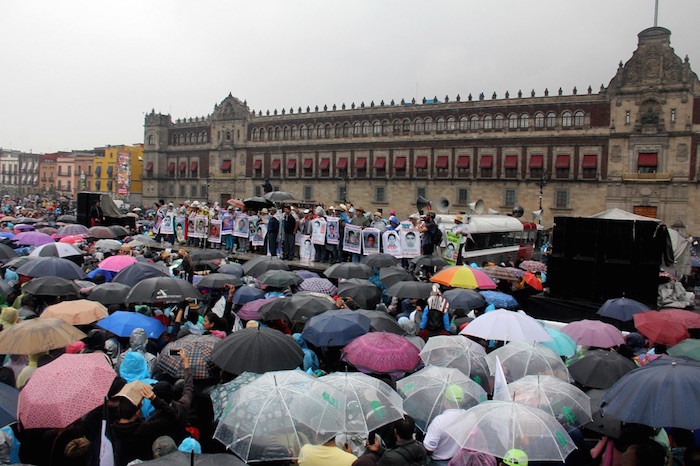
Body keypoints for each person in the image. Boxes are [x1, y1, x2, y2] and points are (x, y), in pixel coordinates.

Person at [358, 415, 427, 465]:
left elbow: (393, 457)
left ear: (395, 431)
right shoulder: (421, 448)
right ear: (414, 430)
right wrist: (379, 450)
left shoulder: (389, 457)